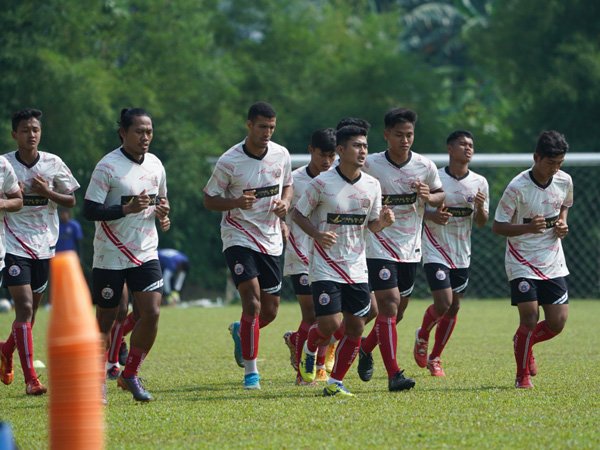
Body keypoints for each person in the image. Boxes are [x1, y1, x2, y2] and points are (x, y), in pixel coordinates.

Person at [295, 125, 395, 397]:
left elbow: (371, 225)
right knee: (329, 325)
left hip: (357, 268)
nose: (362, 150)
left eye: (364, 146)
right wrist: (316, 233)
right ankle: (309, 349)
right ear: (340, 150)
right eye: (356, 146)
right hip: (325, 266)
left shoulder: (372, 185)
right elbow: (298, 214)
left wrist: (382, 223)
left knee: (356, 327)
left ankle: (335, 382)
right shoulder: (321, 183)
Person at [203, 101, 293, 390]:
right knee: (252, 302)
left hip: (270, 238)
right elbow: (209, 200)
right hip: (238, 236)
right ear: (249, 125)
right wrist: (236, 203)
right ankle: (251, 373)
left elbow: (288, 185)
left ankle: (240, 332)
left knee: (270, 311)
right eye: (262, 127)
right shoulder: (229, 161)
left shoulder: (281, 155)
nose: (267, 132)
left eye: (271, 127)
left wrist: (285, 204)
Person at [84, 108, 170, 402]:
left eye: (149, 131)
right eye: (139, 131)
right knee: (106, 319)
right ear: (123, 132)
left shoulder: (156, 165)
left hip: (145, 251)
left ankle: (130, 373)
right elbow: (90, 210)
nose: (145, 137)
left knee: (152, 312)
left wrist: (163, 212)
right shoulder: (107, 167)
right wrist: (125, 209)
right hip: (109, 255)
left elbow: (162, 199)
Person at [357, 107, 444, 391]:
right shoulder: (369, 164)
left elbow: (440, 194)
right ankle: (395, 374)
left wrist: (429, 196)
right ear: (386, 135)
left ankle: (366, 348)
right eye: (399, 135)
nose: (405, 140)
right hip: (377, 244)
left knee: (398, 312)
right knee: (390, 304)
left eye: (409, 135)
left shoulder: (425, 166)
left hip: (410, 248)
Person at [0, 108, 80, 396]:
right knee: (24, 307)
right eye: (25, 130)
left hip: (44, 245)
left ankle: (6, 350)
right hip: (11, 244)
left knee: (30, 315)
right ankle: (31, 379)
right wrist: (10, 195)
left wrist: (48, 193)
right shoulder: (5, 165)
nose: (31, 134)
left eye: (35, 129)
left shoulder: (53, 163)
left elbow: (70, 200)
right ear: (14, 134)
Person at [492, 130, 572, 389]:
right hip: (521, 260)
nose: (555, 169)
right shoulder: (517, 187)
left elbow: (564, 205)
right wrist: (527, 228)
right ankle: (521, 375)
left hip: (552, 259)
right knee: (528, 317)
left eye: (559, 163)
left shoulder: (564, 180)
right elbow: (498, 226)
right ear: (536, 157)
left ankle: (524, 343)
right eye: (551, 163)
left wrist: (562, 223)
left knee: (557, 322)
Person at [414, 130, 489, 376]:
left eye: (471, 145)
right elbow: (415, 210)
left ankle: (436, 358)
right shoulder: (435, 177)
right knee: (444, 302)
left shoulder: (479, 182)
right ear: (449, 148)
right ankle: (423, 334)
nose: (468, 148)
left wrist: (479, 207)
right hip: (435, 249)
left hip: (461, 253)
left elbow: (481, 221)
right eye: (462, 144)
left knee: (454, 307)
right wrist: (433, 215)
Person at [282, 128, 336, 385]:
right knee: (312, 314)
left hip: (331, 259)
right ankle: (305, 372)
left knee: (331, 315)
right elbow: (282, 211)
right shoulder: (295, 180)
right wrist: (281, 224)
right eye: (322, 155)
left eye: (331, 155)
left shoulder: (339, 179)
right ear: (310, 150)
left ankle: (300, 344)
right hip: (300, 254)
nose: (327, 161)